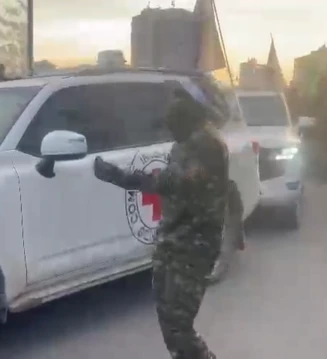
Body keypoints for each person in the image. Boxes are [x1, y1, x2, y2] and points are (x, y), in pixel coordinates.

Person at [93, 84, 229, 359]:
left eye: (176, 108)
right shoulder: (186, 141)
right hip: (171, 240)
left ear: (192, 110)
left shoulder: (207, 144)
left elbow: (171, 182)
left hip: (194, 245)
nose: (169, 117)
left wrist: (118, 177)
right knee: (170, 326)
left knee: (179, 328)